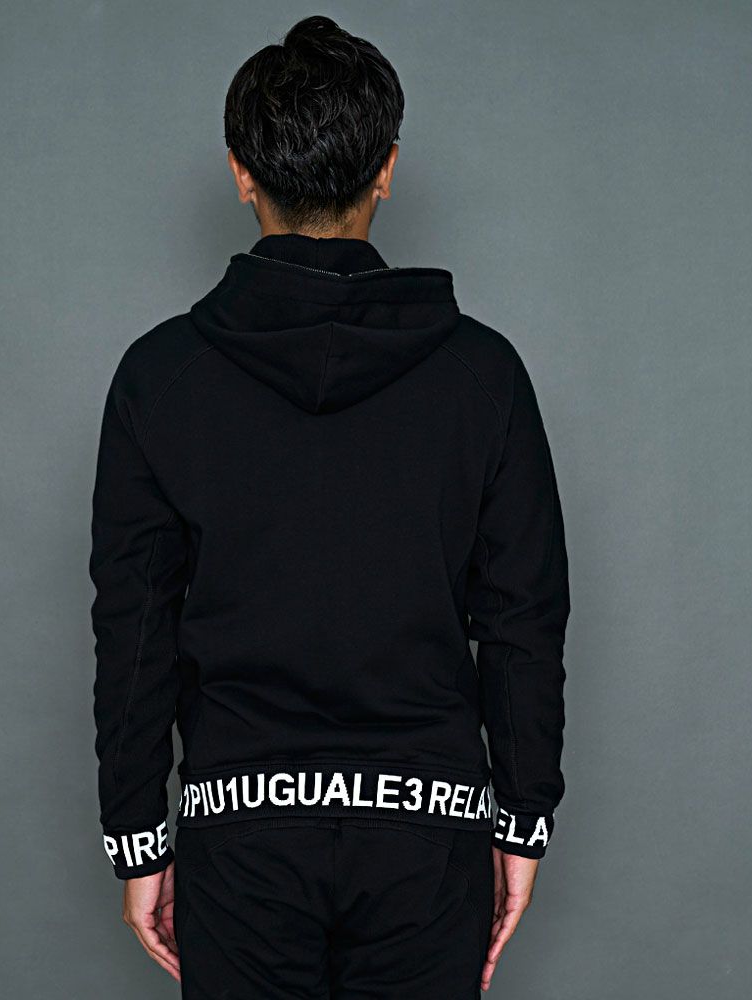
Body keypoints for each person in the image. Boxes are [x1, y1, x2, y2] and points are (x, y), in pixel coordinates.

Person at [88, 14, 570, 999]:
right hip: (426, 834)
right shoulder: (483, 376)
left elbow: (134, 629)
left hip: (240, 832)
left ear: (241, 174)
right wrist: (521, 821)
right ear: (386, 170)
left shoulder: (160, 377)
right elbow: (523, 617)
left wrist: (138, 837)